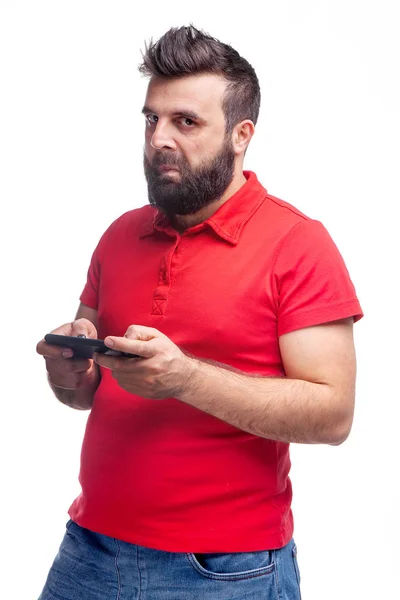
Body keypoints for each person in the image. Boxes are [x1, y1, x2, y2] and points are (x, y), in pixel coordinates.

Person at [36, 25, 363, 600]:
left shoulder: (298, 243)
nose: (160, 138)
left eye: (185, 122)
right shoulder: (119, 235)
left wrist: (186, 378)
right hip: (89, 549)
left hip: (223, 570)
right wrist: (71, 374)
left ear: (241, 135)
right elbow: (86, 393)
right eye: (151, 119)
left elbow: (333, 414)